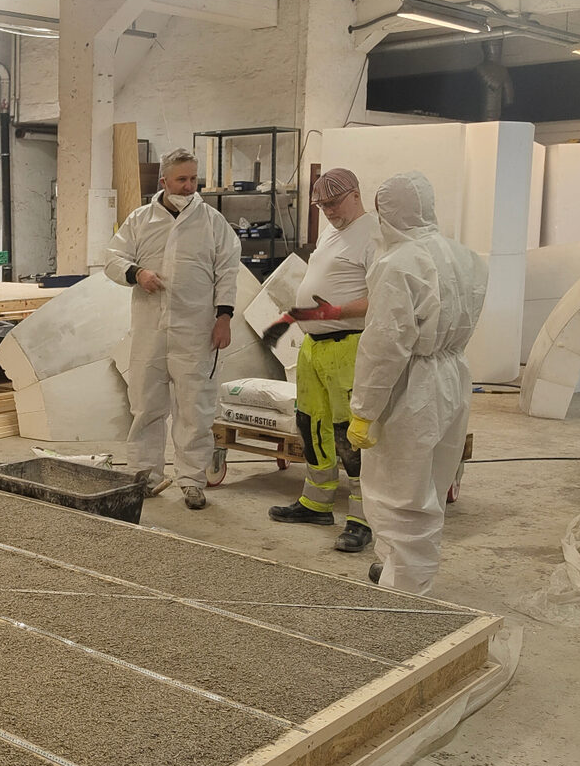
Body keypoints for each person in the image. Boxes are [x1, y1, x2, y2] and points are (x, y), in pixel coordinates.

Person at [348, 171, 488, 595]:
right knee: (432, 482)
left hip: (413, 386)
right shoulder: (466, 257)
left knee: (400, 494)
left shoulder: (398, 264)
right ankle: (401, 568)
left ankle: (404, 591)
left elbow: (385, 345)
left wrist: (364, 410)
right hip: (453, 375)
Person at [105, 148, 240, 509]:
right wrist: (137, 273)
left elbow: (228, 270)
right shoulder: (140, 220)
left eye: (194, 178)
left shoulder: (212, 223)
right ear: (163, 181)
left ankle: (192, 480)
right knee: (147, 405)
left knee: (194, 409)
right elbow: (113, 259)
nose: (189, 185)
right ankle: (144, 474)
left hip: (197, 330)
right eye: (182, 179)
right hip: (151, 329)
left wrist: (224, 316)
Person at [267, 169, 379, 553]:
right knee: (311, 424)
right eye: (322, 205)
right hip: (316, 346)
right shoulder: (332, 231)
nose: (328, 211)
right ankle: (316, 503)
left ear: (355, 194)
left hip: (349, 346)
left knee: (352, 433)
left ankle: (364, 519)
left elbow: (383, 295)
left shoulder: (374, 235)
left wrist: (338, 310)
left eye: (333, 203)